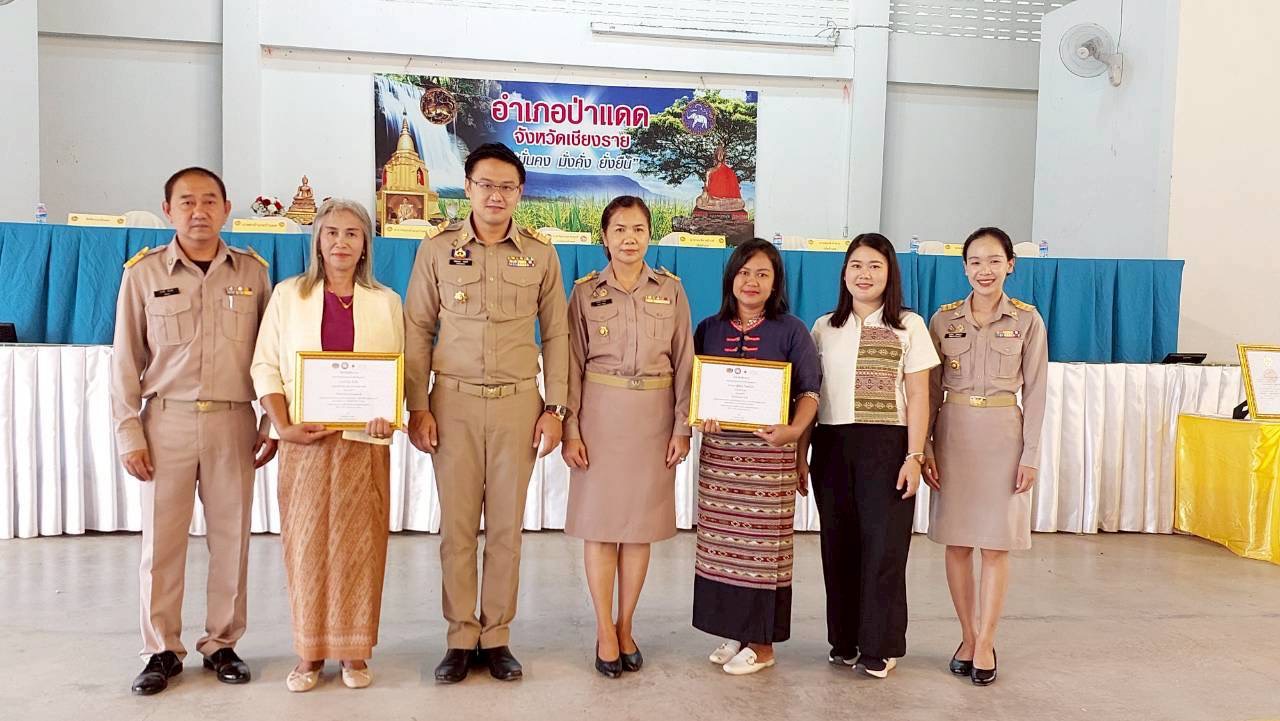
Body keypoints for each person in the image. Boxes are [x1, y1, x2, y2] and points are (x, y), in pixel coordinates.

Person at [403, 143, 571, 683]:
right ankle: (459, 636)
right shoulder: (436, 251)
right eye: (485, 184)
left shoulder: (542, 254)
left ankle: (496, 635)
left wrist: (557, 408)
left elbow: (559, 333)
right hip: (451, 404)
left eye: (506, 187)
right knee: (455, 528)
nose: (495, 195)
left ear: (519, 194)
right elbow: (417, 330)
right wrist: (417, 405)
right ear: (468, 187)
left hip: (519, 404)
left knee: (505, 530)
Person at [111, 167, 276, 695]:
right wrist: (129, 433)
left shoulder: (253, 273)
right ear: (168, 210)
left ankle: (222, 643)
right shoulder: (143, 274)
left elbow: (272, 358)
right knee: (161, 544)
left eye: (209, 201)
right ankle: (161, 649)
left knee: (232, 539)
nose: (198, 212)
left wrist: (272, 421)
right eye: (187, 202)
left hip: (233, 420)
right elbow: (123, 362)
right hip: (168, 421)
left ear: (228, 208)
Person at [250, 199, 404, 692]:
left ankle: (354, 653)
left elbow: (399, 369)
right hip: (304, 439)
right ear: (317, 239)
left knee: (361, 545)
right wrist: (281, 424)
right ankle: (310, 653)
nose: (341, 242)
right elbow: (265, 365)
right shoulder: (288, 295)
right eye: (332, 232)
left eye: (352, 234)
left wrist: (390, 418)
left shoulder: (386, 301)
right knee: (306, 545)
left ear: (365, 245)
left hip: (363, 443)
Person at [561, 196, 694, 678]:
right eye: (619, 229)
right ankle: (602, 629)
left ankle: (625, 624)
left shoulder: (672, 291)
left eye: (638, 229)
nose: (629, 239)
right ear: (604, 237)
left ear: (649, 235)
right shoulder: (582, 292)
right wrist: (570, 428)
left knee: (639, 530)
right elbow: (570, 366)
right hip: (599, 416)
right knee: (600, 527)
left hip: (653, 418)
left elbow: (685, 361)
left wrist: (682, 425)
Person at [809, 232, 940, 679]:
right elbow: (810, 395)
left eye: (875, 266)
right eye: (856, 265)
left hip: (888, 447)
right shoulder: (824, 326)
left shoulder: (910, 325)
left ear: (890, 274)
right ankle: (843, 640)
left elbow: (920, 395)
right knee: (838, 546)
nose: (864, 274)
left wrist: (915, 455)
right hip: (831, 445)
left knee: (884, 549)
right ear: (844, 273)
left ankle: (879, 645)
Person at [923, 226, 1048, 686]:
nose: (985, 270)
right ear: (965, 267)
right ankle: (966, 635)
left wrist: (1030, 454)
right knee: (957, 543)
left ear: (1010, 265)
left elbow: (1036, 392)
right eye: (975, 261)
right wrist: (927, 448)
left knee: (996, 545)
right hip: (953, 433)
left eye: (994, 261)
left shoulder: (1027, 321)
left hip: (1002, 435)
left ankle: (987, 642)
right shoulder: (943, 320)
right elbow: (930, 392)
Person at [691, 238, 821, 676]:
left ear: (775, 282)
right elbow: (697, 387)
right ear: (731, 277)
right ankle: (734, 629)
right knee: (722, 547)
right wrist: (702, 416)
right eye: (745, 272)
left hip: (769, 459)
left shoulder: (792, 331)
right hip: (722, 459)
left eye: (763, 274)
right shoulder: (709, 327)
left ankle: (762, 643)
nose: (752, 281)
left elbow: (809, 393)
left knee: (762, 553)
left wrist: (794, 431)